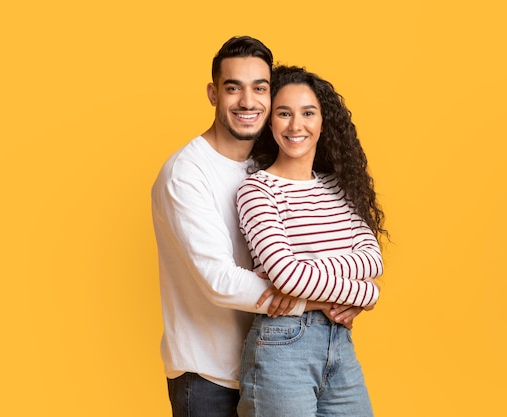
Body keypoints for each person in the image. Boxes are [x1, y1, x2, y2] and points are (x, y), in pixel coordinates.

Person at [151, 37, 379, 417]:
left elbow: (328, 252)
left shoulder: (265, 166)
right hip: (209, 373)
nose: (247, 101)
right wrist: (328, 300)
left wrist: (342, 291)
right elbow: (219, 281)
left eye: (260, 88)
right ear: (213, 93)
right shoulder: (186, 173)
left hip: (276, 358)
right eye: (232, 88)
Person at [236, 65, 388, 417]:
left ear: (323, 122)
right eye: (283, 113)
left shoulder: (337, 186)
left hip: (340, 342)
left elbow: (372, 260)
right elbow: (287, 276)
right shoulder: (258, 191)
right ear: (269, 122)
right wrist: (366, 294)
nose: (295, 125)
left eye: (308, 113)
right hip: (282, 344)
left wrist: (310, 277)